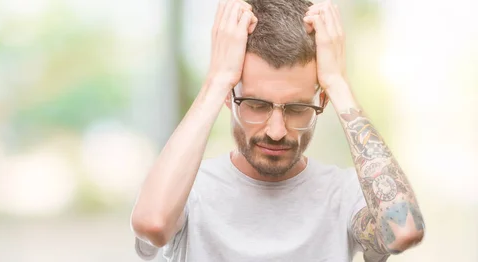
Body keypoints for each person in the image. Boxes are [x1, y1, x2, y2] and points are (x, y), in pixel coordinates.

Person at [130, 0, 425, 261]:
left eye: (297, 108)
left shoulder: (343, 195)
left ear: (322, 101)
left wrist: (337, 82)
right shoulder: (187, 190)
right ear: (228, 97)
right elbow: (153, 224)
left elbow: (403, 229)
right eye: (256, 105)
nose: (276, 131)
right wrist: (217, 80)